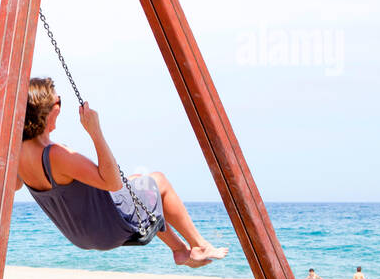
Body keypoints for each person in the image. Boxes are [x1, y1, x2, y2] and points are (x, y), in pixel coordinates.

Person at [15, 77, 228, 267]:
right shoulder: (56, 155)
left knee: (137, 183)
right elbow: (112, 183)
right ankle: (200, 245)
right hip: (107, 228)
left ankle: (180, 250)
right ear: (51, 109)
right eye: (58, 100)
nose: (60, 106)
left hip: (80, 236)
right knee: (158, 181)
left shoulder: (17, 154)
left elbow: (15, 185)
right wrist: (95, 132)